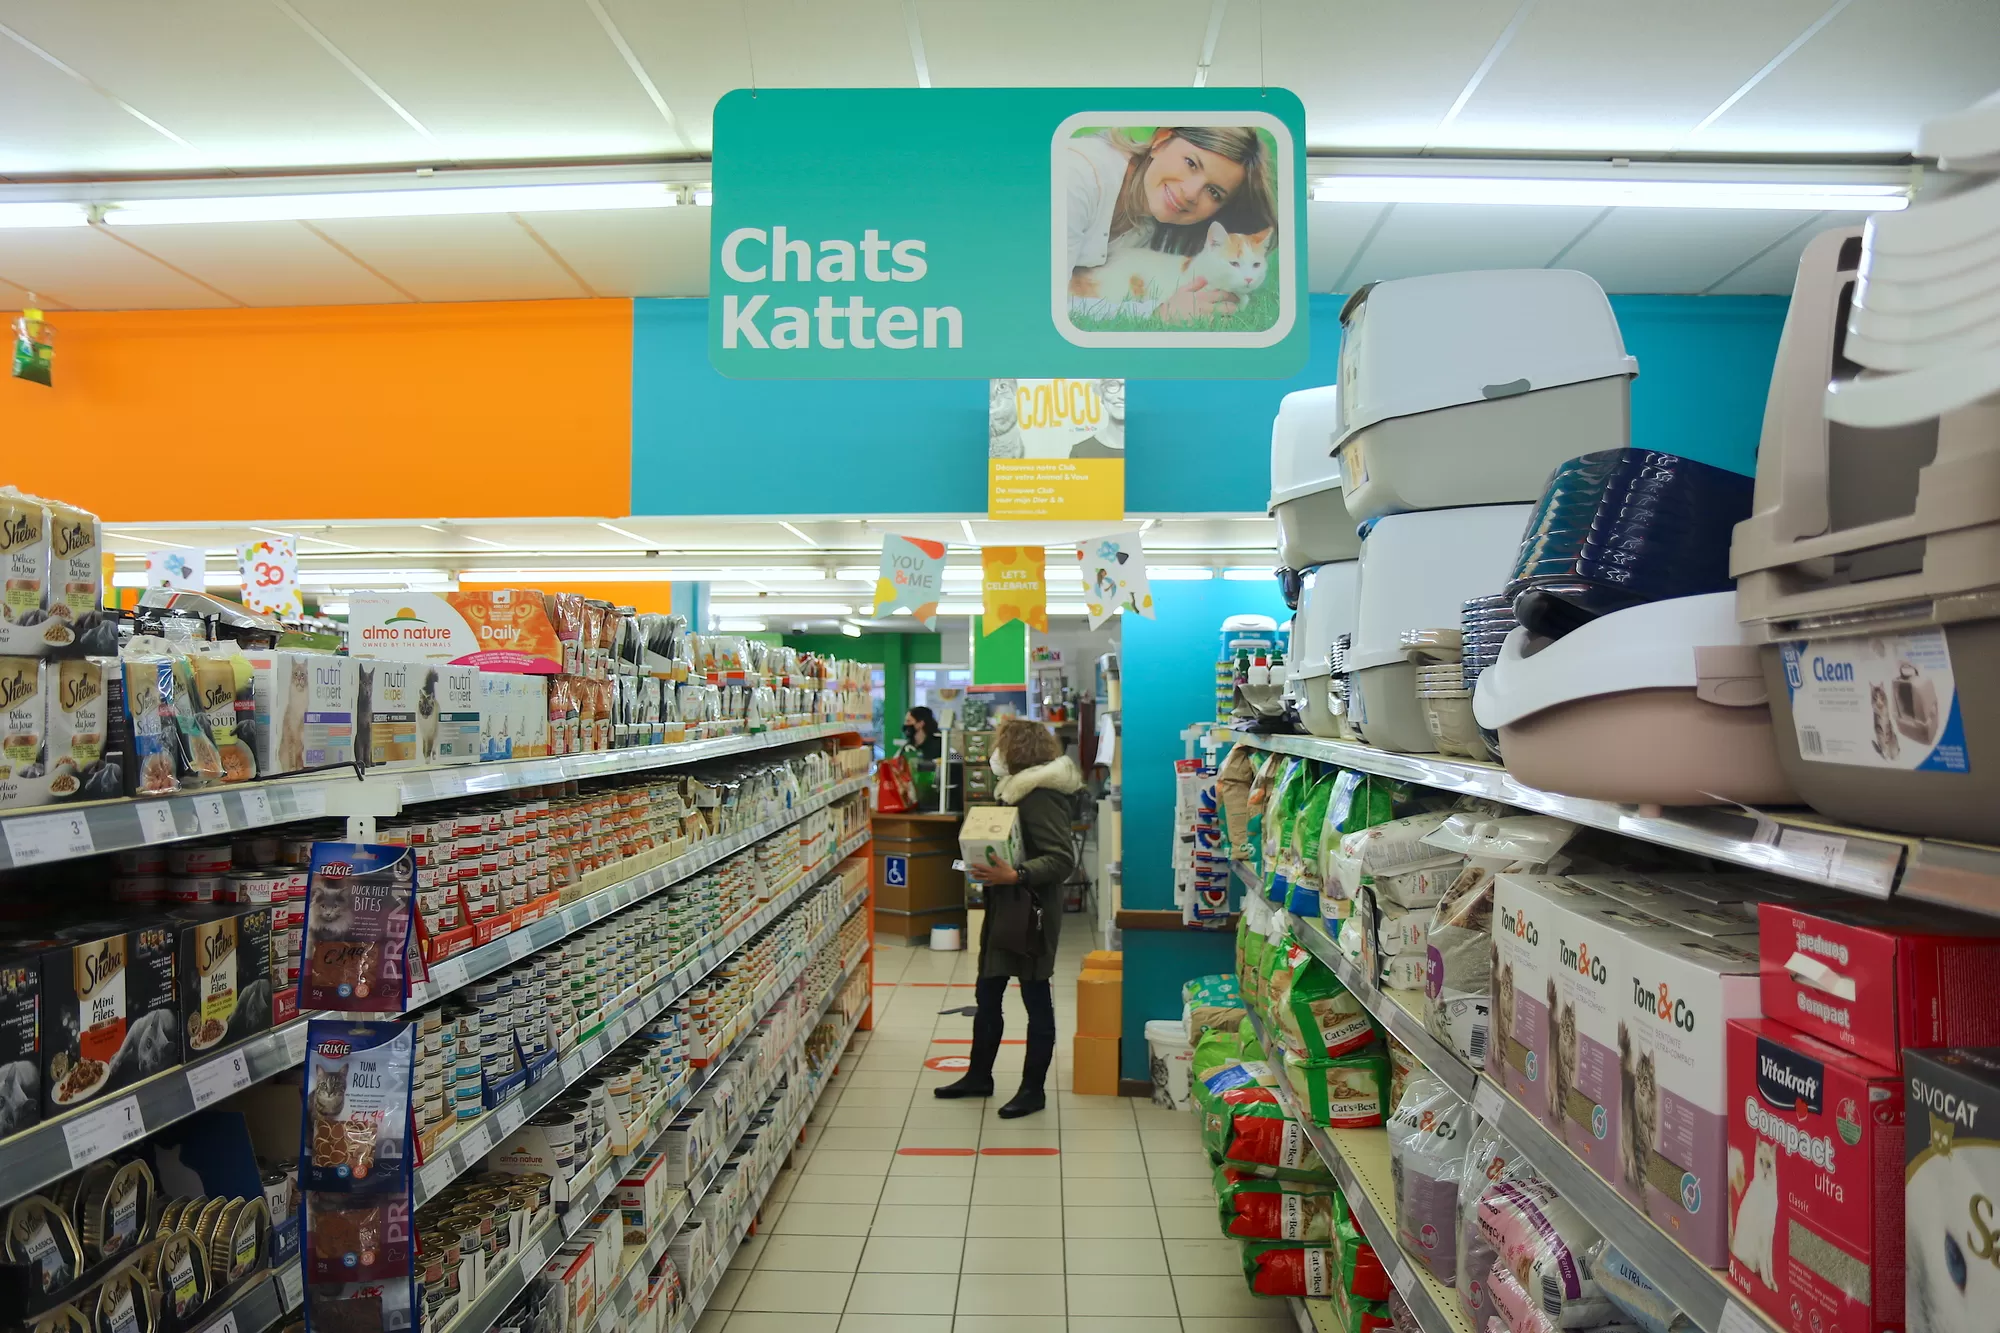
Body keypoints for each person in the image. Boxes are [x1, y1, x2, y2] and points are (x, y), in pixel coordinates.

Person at [935, 718, 1081, 1118]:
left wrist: (1016, 874)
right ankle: (978, 1076)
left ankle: (1033, 1090)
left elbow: (1061, 859)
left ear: (1016, 751)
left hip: (1031, 913)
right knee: (987, 995)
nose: (993, 754)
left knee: (1036, 999)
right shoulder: (1014, 792)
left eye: (1000, 746)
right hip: (1005, 907)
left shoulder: (1041, 795)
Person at [1063, 125, 1277, 323]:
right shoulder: (1074, 177)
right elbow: (1048, 305)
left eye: (1213, 192)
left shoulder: (1160, 221)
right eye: (1191, 163)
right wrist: (1158, 312)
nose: (1191, 193)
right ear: (1160, 141)